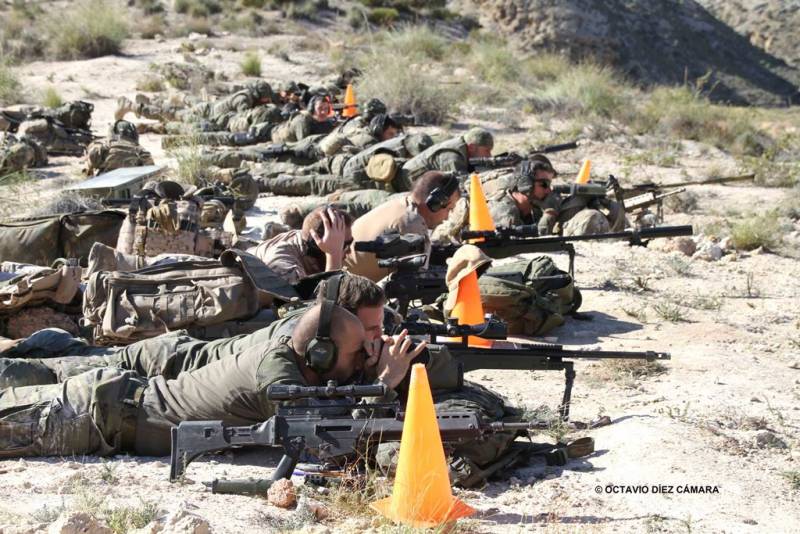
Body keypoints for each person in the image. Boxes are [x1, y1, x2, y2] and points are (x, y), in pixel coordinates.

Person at [0, 299, 426, 457]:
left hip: (110, 404)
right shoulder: (276, 378)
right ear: (320, 353)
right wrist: (383, 383)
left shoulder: (296, 365)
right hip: (92, 417)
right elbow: (331, 444)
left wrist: (367, 371)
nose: (360, 361)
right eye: (354, 354)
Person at [0, 274, 388, 388]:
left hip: (174, 359)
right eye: (369, 329)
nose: (375, 338)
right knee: (58, 373)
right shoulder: (302, 342)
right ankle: (23, 350)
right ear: (338, 325)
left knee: (84, 358)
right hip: (167, 364)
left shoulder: (324, 339)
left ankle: (39, 345)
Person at [346, 170, 461, 282]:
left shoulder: (400, 204)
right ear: (435, 203)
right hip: (350, 292)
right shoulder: (411, 222)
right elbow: (417, 279)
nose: (447, 217)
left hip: (344, 279)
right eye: (449, 209)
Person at [247, 206, 353, 284]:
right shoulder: (285, 266)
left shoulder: (309, 247)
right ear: (318, 246)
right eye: (344, 245)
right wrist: (333, 255)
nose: (349, 251)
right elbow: (320, 307)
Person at [396, 127, 493, 191]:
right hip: (404, 187)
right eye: (486, 150)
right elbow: (461, 187)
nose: (489, 155)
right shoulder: (452, 156)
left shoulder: (464, 149)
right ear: (471, 147)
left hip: (423, 187)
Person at [83, 120, 154, 176]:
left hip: (106, 186)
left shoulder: (105, 147)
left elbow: (90, 161)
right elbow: (151, 171)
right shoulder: (141, 150)